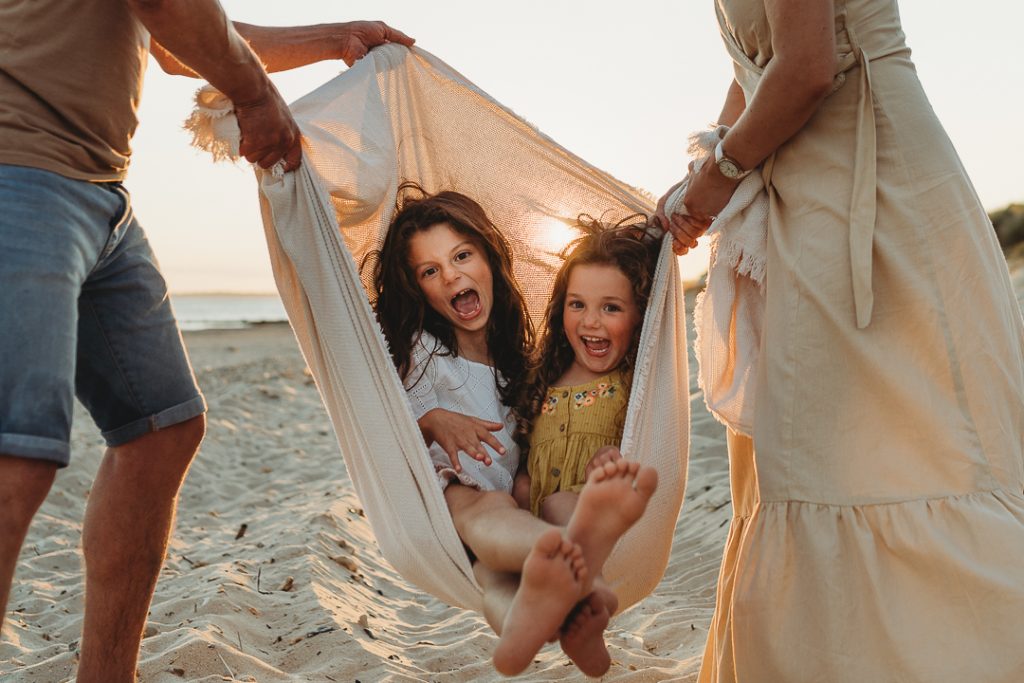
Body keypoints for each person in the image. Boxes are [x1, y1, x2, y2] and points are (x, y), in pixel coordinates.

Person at [0, 2, 412, 681]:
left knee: (161, 427)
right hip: (20, 172)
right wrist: (254, 94)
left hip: (100, 195)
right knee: (18, 451)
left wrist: (333, 39)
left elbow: (171, 36)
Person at [655, 1, 1024, 681]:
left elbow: (807, 69)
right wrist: (704, 167)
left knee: (911, 453)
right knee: (802, 458)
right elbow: (757, 68)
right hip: (805, 199)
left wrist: (716, 183)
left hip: (881, 190)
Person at [371, 187, 658, 677]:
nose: (452, 275)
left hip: (512, 511)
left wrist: (664, 234)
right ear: (417, 288)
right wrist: (433, 420)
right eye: (430, 271)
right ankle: (567, 559)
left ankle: (563, 608)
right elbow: (379, 426)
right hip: (453, 499)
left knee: (496, 583)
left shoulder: (516, 359)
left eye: (462, 255)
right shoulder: (417, 351)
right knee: (485, 507)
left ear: (490, 256)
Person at [515, 220, 661, 524]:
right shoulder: (540, 377)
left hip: (600, 514)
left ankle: (578, 564)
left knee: (557, 505)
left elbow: (652, 450)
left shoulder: (634, 382)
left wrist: (613, 461)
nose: (590, 321)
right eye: (577, 304)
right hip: (535, 529)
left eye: (611, 308)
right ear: (560, 309)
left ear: (640, 314)